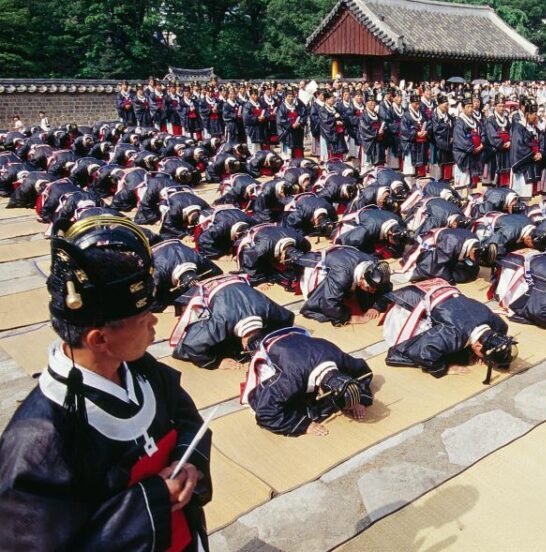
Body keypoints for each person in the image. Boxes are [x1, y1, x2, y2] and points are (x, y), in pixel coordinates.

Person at [0, 215, 212, 549]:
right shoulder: (37, 439)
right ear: (99, 340)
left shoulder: (140, 368)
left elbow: (189, 421)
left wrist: (190, 467)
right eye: (143, 320)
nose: (155, 323)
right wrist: (152, 499)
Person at [241, 327, 374, 436]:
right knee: (296, 404)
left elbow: (363, 372)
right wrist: (303, 425)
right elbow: (266, 412)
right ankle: (252, 342)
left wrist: (358, 399)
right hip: (272, 346)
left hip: (296, 337)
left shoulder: (340, 360)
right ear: (321, 391)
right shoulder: (292, 378)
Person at [383, 280, 517, 378]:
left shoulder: (497, 324)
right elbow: (424, 352)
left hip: (442, 289)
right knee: (451, 355)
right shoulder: (453, 334)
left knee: (461, 353)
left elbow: (502, 331)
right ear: (476, 346)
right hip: (411, 302)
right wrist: (444, 368)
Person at [169, 274, 295, 370]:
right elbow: (191, 346)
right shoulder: (221, 322)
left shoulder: (269, 310)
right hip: (204, 289)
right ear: (243, 342)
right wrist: (217, 362)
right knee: (185, 351)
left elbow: (288, 318)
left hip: (230, 279)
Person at [297, 245, 393, 326]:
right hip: (318, 267)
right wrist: (348, 317)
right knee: (320, 307)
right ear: (361, 278)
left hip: (345, 261)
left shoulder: (375, 266)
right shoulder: (342, 275)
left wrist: (377, 307)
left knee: (368, 298)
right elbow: (329, 302)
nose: (373, 291)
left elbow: (386, 288)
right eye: (369, 287)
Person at [398, 227, 497, 284]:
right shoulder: (451, 243)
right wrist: (448, 279)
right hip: (432, 248)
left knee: (469, 275)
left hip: (454, 253)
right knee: (432, 270)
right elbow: (437, 263)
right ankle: (413, 273)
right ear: (474, 252)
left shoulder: (476, 243)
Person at [333, 206, 412, 259]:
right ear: (390, 234)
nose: (397, 243)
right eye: (396, 242)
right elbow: (345, 241)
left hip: (373, 220)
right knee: (366, 257)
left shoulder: (400, 223)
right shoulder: (370, 228)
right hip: (353, 227)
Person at [452, 93, 483, 195]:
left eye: (471, 107)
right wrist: (472, 147)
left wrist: (482, 144)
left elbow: (482, 133)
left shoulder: (475, 121)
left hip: (473, 156)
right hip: (463, 156)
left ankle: (470, 204)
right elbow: (460, 140)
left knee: (471, 184)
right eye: (468, 107)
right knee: (461, 186)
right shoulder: (459, 122)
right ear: (463, 108)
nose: (470, 109)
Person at [400, 93, 430, 187]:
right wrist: (416, 133)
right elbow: (404, 131)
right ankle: (409, 186)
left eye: (418, 103)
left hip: (421, 145)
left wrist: (426, 131)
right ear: (411, 103)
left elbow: (429, 124)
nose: (417, 105)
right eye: (415, 103)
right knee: (410, 169)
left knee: (420, 168)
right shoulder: (406, 115)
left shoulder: (422, 114)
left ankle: (418, 186)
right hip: (411, 145)